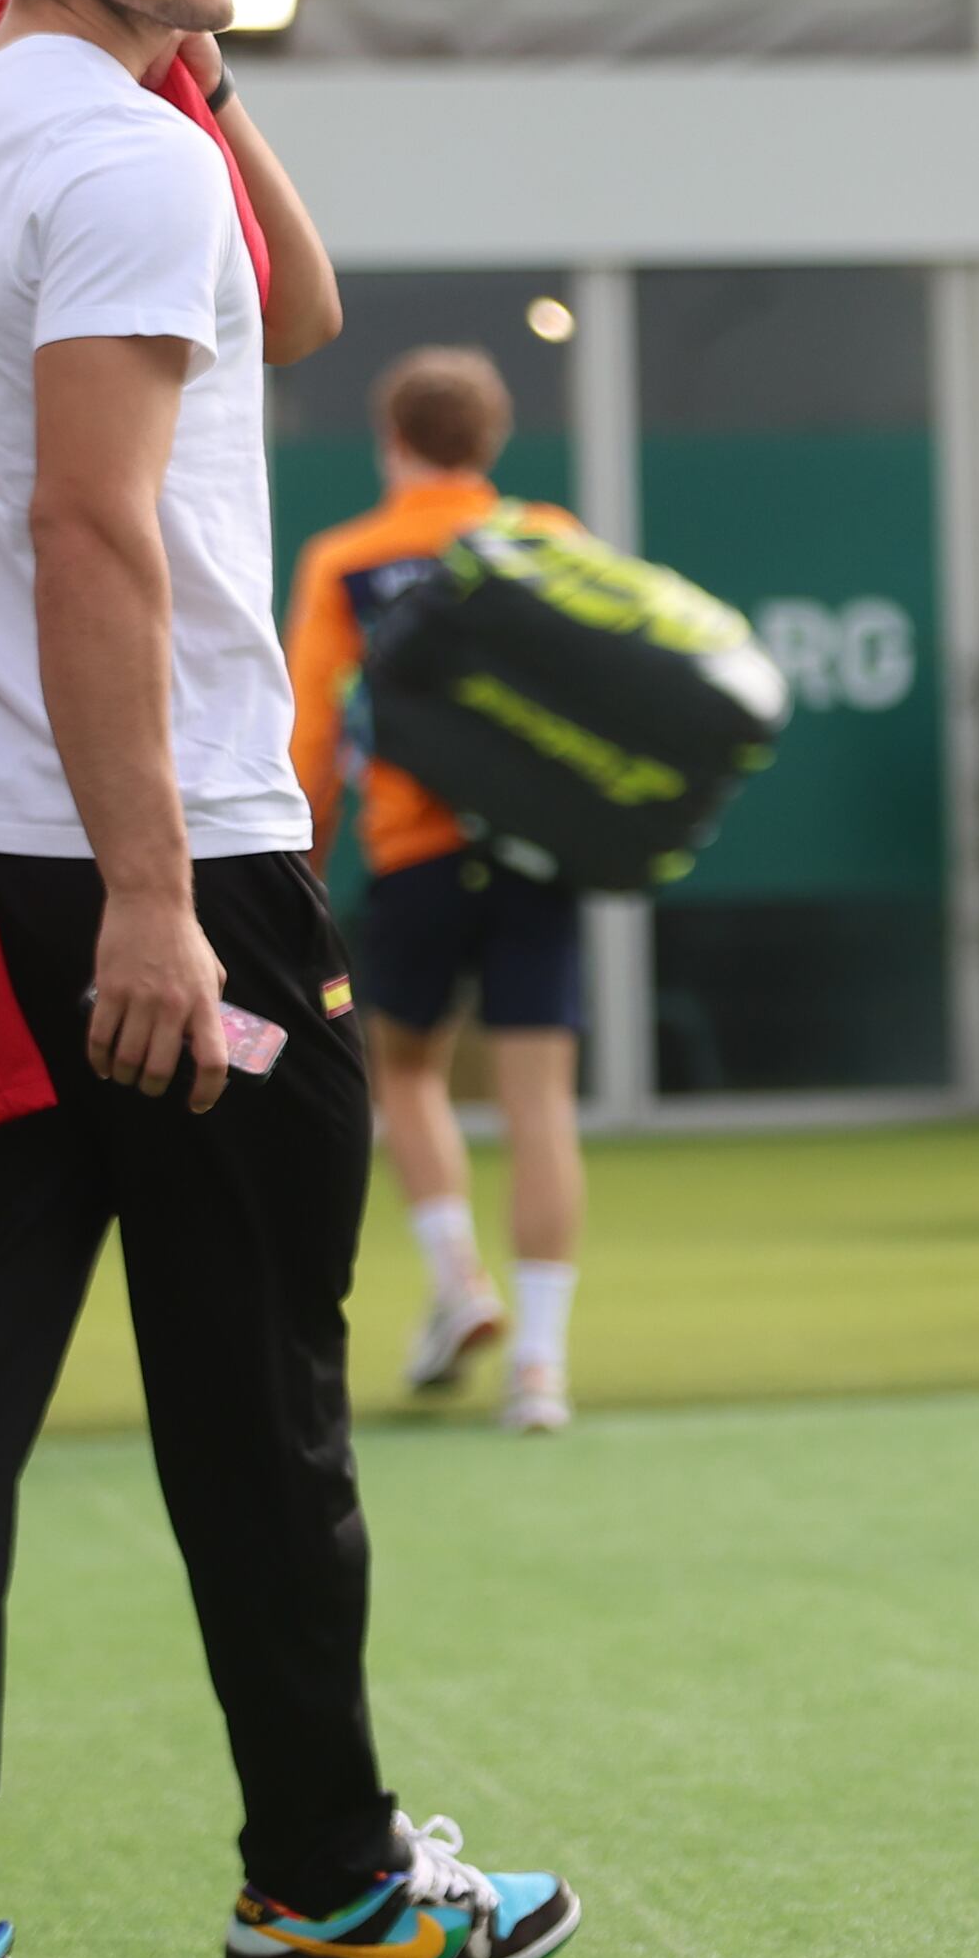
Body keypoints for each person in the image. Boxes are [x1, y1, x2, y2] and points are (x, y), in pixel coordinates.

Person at [0, 0, 572, 1958]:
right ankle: (327, 1890)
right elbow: (88, 524)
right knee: (256, 1400)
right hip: (173, 877)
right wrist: (156, 889)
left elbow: (304, 313)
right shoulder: (111, 164)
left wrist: (205, 75)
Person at [285, 347, 590, 1434]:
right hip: (536, 854)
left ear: (393, 438)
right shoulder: (547, 539)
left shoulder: (348, 560)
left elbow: (311, 730)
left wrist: (301, 859)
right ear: (493, 439)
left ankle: (460, 1280)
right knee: (539, 1097)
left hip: (414, 855)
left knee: (404, 1069)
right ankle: (541, 1370)